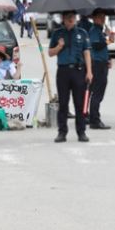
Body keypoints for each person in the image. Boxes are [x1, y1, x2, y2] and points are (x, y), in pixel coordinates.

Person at [48, 10, 93, 143]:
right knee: (63, 103)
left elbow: (86, 53)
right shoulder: (57, 34)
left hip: (78, 71)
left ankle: (81, 132)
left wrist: (89, 71)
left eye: (72, 17)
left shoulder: (82, 33)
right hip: (63, 71)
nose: (70, 19)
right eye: (68, 17)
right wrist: (59, 46)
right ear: (63, 18)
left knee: (79, 104)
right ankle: (62, 132)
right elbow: (50, 53)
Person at [88, 8, 114, 130]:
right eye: (100, 17)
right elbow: (96, 45)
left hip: (102, 63)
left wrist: (108, 59)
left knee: (99, 92)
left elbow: (102, 48)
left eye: (104, 16)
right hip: (97, 64)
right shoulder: (94, 30)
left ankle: (94, 117)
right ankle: (94, 119)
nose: (102, 19)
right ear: (94, 18)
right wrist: (109, 39)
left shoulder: (100, 30)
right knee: (97, 92)